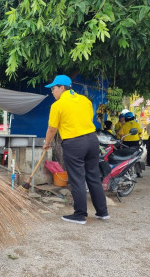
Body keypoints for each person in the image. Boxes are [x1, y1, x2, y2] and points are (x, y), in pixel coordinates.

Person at [43, 75, 108, 225]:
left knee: (77, 178)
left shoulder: (57, 105)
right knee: (93, 176)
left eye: (53, 88)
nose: (52, 92)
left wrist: (47, 143)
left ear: (62, 87)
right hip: (92, 141)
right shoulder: (85, 100)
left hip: (74, 143)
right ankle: (102, 212)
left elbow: (52, 128)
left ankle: (79, 215)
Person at [118, 112, 143, 177]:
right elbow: (140, 132)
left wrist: (121, 144)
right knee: (136, 157)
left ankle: (125, 172)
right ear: (132, 117)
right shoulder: (137, 124)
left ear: (125, 118)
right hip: (135, 142)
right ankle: (138, 173)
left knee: (126, 157)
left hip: (126, 143)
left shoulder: (124, 125)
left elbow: (122, 135)